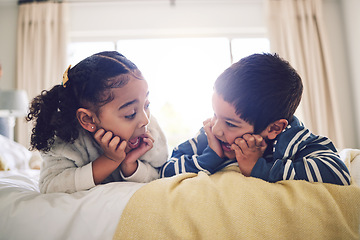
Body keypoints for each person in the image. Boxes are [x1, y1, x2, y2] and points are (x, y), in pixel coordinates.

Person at [160, 53, 351, 185]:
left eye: (230, 123)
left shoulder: (296, 141)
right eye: (215, 114)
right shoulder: (210, 137)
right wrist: (211, 157)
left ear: (275, 128)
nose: (217, 129)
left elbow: (338, 172)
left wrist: (258, 168)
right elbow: (166, 170)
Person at [27, 51, 168, 193]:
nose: (145, 119)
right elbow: (49, 186)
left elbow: (161, 174)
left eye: (147, 105)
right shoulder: (66, 139)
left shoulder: (150, 131)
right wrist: (110, 160)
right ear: (88, 119)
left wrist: (130, 166)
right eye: (130, 114)